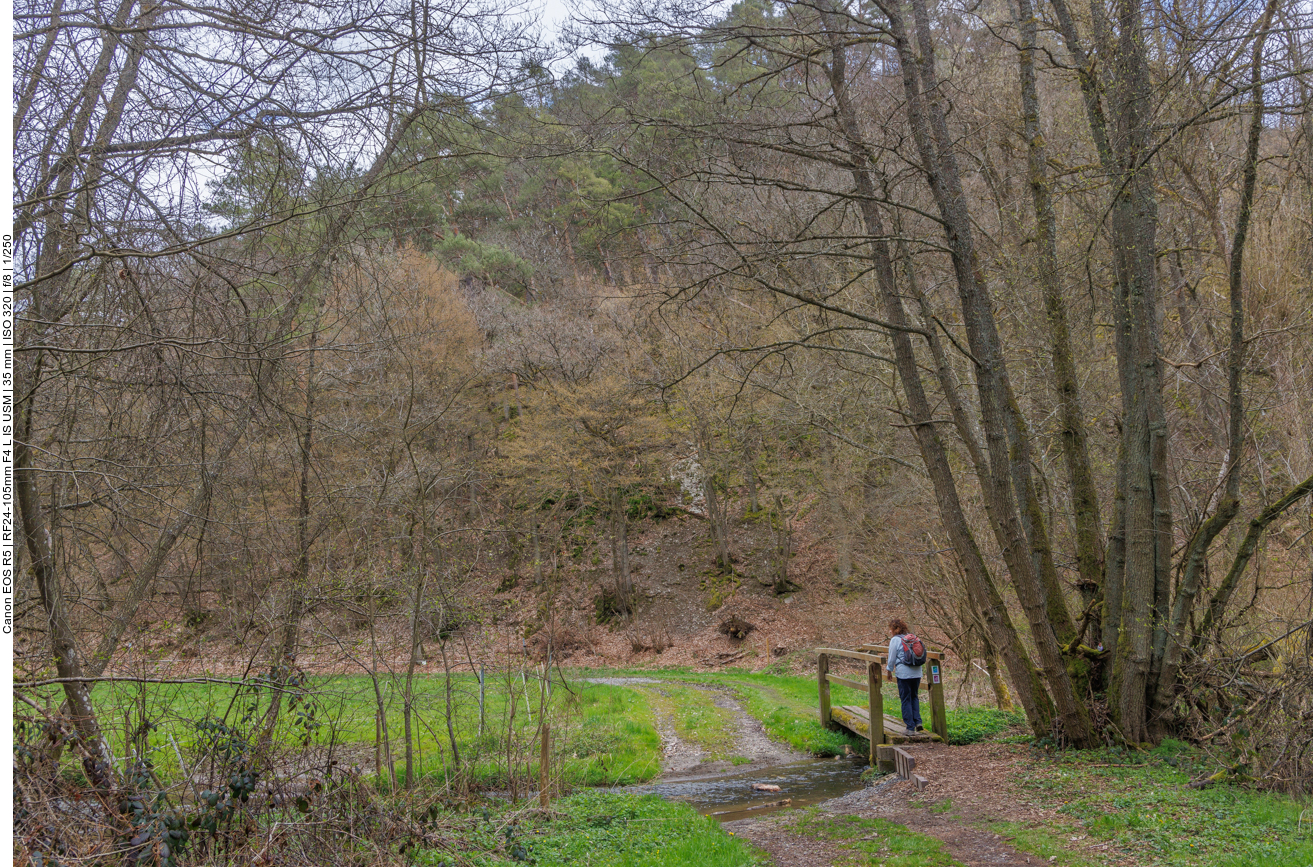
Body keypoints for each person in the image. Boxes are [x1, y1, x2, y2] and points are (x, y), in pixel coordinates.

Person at [884, 617, 924, 736]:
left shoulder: (895, 640)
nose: (890, 631)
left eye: (891, 629)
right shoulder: (913, 638)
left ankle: (910, 728)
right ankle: (918, 722)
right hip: (917, 672)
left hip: (904, 673)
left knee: (905, 698)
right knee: (914, 696)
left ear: (895, 629)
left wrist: (889, 670)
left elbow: (891, 658)